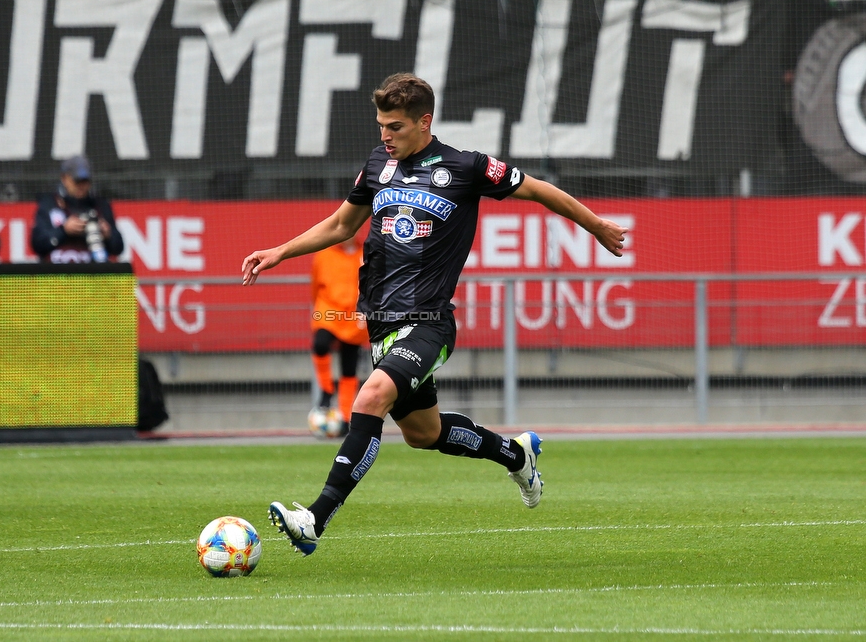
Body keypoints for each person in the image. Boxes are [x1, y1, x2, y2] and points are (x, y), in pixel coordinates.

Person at [241, 73, 627, 556]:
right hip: (381, 326)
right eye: (381, 125)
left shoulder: (467, 168)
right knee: (426, 434)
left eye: (395, 126)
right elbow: (343, 224)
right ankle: (515, 453)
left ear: (425, 122)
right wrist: (280, 251)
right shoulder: (378, 164)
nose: (385, 135)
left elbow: (537, 189)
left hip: (428, 323)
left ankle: (314, 518)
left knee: (370, 397)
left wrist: (594, 226)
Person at [308, 234, 369, 435]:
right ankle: (326, 390)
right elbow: (315, 285)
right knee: (320, 344)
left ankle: (345, 417)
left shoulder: (365, 253)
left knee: (349, 368)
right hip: (329, 310)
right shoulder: (324, 254)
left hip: (354, 316)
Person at [31, 155, 124, 263]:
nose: (81, 186)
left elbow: (118, 248)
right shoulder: (49, 205)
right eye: (77, 181)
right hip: (57, 274)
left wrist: (108, 235)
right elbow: (37, 245)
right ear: (64, 179)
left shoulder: (100, 206)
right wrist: (64, 231)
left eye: (84, 181)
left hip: (92, 273)